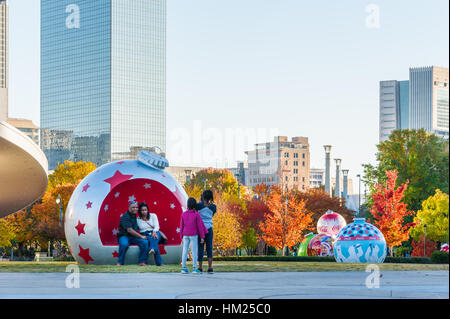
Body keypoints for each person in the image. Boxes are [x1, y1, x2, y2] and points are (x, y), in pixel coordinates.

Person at [180, 197, 208, 274]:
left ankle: (183, 268)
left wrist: (181, 236)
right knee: (194, 251)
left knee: (185, 251)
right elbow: (200, 226)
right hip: (193, 235)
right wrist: (202, 237)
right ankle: (195, 268)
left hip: (185, 235)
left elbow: (181, 226)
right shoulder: (196, 214)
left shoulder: (184, 214)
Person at [116, 201, 149, 266]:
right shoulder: (125, 216)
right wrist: (141, 236)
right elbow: (129, 230)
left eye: (136, 207)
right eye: (133, 207)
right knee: (124, 244)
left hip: (133, 237)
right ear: (129, 208)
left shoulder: (135, 216)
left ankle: (142, 261)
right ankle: (120, 262)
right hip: (124, 236)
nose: (135, 209)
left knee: (145, 242)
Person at [196, 190, 216, 274]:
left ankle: (200, 267)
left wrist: (201, 200)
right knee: (209, 248)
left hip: (200, 229)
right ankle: (210, 267)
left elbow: (196, 211)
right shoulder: (213, 207)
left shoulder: (199, 205)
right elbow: (212, 214)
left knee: (200, 248)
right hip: (209, 228)